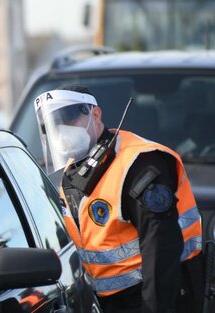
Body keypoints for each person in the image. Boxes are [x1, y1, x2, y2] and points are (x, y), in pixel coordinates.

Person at [34, 84, 204, 313]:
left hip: (154, 297)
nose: (61, 130)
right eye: (53, 125)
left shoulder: (139, 163)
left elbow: (161, 249)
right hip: (103, 303)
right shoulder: (73, 173)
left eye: (68, 119)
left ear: (95, 114)